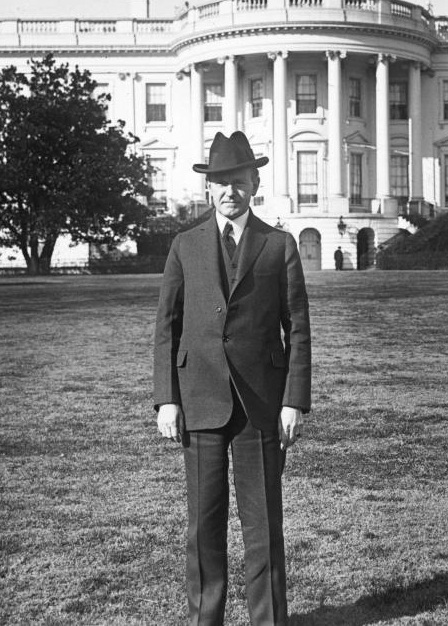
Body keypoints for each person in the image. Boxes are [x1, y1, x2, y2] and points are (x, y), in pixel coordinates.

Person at [153, 130, 311, 626]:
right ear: (207, 189)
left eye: (238, 181)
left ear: (254, 184)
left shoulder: (279, 245)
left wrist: (293, 401)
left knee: (264, 525)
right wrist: (166, 400)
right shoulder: (184, 245)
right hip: (198, 401)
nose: (229, 191)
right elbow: (166, 326)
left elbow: (298, 328)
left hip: (261, 407)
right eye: (220, 182)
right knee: (203, 525)